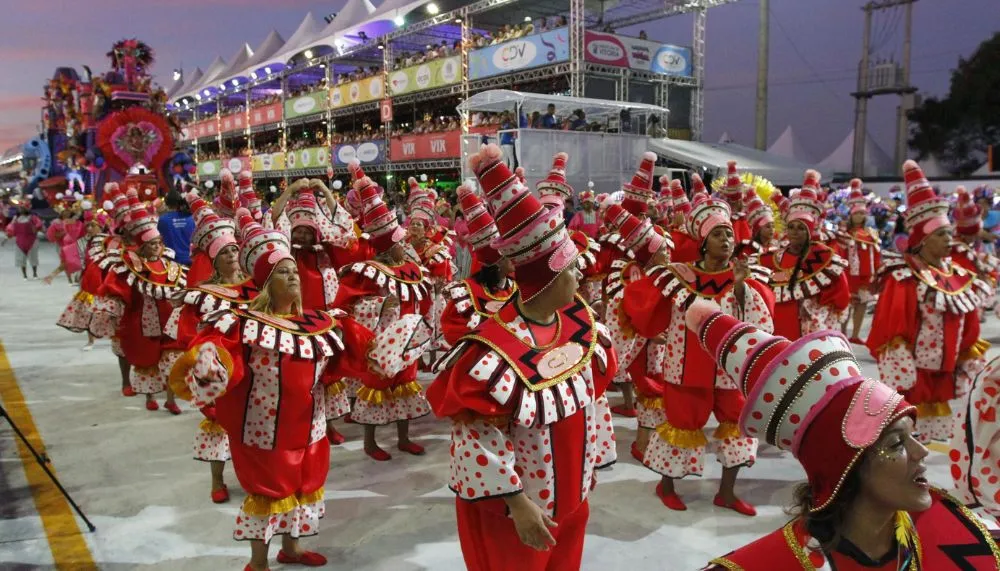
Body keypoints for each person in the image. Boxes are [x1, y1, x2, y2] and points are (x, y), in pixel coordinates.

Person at [687, 299, 1000, 570]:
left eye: (913, 436)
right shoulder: (769, 564)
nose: (922, 453)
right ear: (843, 465)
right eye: (895, 443)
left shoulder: (957, 533)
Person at [427, 143, 618, 571]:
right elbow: (476, 439)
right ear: (547, 277)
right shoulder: (490, 352)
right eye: (570, 269)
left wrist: (589, 472)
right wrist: (517, 504)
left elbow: (593, 403)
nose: (579, 274)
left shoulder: (580, 325)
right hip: (519, 513)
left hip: (572, 498)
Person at [170, 209, 385, 571]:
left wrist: (378, 351)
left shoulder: (318, 324)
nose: (294, 277)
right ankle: (258, 561)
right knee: (269, 493)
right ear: (266, 282)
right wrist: (210, 362)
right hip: (264, 429)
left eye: (293, 270)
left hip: (309, 425)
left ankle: (293, 548)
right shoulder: (240, 324)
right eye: (282, 272)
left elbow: (347, 358)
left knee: (302, 490)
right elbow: (222, 359)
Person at [621, 189, 773, 514]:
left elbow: (761, 324)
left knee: (736, 424)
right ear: (703, 241)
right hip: (685, 368)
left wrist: (745, 286)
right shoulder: (679, 275)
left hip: (729, 371)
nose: (726, 240)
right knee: (681, 424)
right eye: (718, 234)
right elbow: (641, 304)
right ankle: (667, 486)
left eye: (729, 234)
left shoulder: (745, 277)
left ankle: (727, 493)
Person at [866, 160, 991, 442]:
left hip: (944, 374)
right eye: (941, 234)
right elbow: (894, 327)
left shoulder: (959, 275)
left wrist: (967, 360)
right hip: (914, 377)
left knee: (936, 438)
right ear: (922, 240)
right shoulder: (905, 278)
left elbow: (968, 326)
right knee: (909, 439)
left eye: (950, 232)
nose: (950, 239)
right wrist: (904, 374)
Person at [332, 175, 434, 461]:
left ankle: (403, 438)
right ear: (389, 246)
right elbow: (346, 305)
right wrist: (380, 304)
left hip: (408, 339)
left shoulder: (412, 268)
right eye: (400, 242)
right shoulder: (366, 270)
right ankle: (370, 442)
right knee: (376, 387)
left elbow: (422, 300)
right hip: (381, 342)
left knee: (406, 383)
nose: (405, 244)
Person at [165, 191, 256, 504]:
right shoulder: (203, 293)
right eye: (225, 253)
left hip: (254, 367)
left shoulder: (256, 288)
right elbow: (186, 336)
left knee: (253, 425)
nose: (232, 256)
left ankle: (253, 477)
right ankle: (217, 480)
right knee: (219, 425)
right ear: (213, 258)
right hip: (221, 369)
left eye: (234, 250)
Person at [91, 188, 187, 413]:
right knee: (145, 358)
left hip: (166, 318)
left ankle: (170, 399)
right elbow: (118, 287)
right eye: (152, 244)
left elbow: (179, 287)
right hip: (139, 320)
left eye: (159, 243)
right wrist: (111, 309)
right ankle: (148, 396)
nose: (157, 247)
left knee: (171, 358)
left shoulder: (170, 265)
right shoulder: (128, 262)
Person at [757, 170, 850, 340]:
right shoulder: (771, 258)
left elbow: (840, 299)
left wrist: (812, 312)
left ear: (810, 230)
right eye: (791, 227)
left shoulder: (824, 259)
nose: (795, 232)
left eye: (801, 228)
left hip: (810, 333)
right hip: (776, 328)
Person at [439, 183, 516, 347]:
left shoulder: (514, 288)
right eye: (509, 253)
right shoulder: (466, 292)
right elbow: (451, 330)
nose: (515, 257)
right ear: (498, 261)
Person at [839, 179, 881, 344]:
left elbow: (875, 255)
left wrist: (877, 271)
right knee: (846, 304)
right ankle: (842, 333)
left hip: (865, 276)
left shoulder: (871, 233)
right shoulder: (845, 232)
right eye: (857, 213)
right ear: (851, 214)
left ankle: (855, 334)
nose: (860, 216)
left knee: (862, 304)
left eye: (863, 213)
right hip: (849, 274)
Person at [157, 188, 195, 267]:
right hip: (190, 260)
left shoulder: (162, 219)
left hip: (171, 262)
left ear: (166, 203)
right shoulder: (191, 218)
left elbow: (159, 240)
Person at [7, 204, 42, 280]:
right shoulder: (15, 219)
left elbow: (39, 224)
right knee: (21, 259)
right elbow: (10, 228)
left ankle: (35, 274)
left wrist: (35, 228)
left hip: (32, 240)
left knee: (33, 258)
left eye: (23, 209)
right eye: (20, 209)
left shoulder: (33, 218)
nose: (21, 210)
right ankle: (25, 275)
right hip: (20, 241)